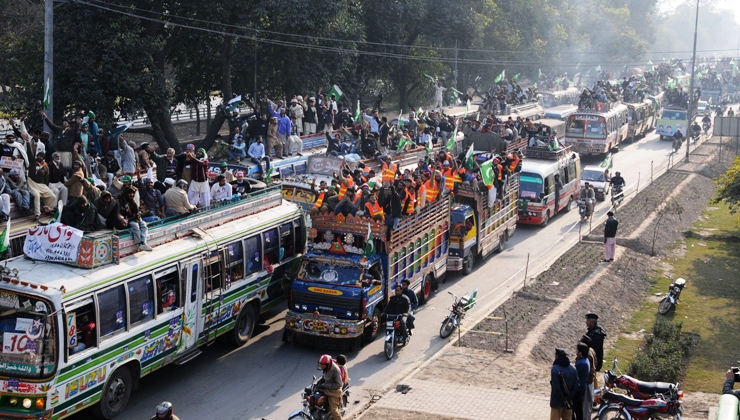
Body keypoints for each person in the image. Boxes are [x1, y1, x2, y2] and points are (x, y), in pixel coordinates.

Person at [119, 185, 153, 251]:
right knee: (135, 225)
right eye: (129, 193)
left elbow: (136, 212)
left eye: (132, 193)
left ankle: (143, 242)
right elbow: (118, 213)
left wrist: (139, 218)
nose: (131, 195)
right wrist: (122, 218)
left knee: (143, 224)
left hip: (134, 218)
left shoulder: (133, 201)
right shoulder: (121, 201)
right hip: (126, 219)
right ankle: (139, 243)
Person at [550, 348, 578, 420]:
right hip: (569, 401)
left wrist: (563, 400)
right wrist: (569, 397)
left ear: (557, 356)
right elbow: (576, 385)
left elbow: (557, 388)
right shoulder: (573, 368)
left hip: (557, 401)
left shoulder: (555, 369)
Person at [317, 354, 343, 420]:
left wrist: (325, 385)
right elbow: (326, 376)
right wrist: (320, 381)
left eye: (322, 365)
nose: (320, 366)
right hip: (326, 388)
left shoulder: (335, 370)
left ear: (327, 364)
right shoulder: (326, 367)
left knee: (334, 411)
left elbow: (338, 384)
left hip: (334, 392)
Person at [573, 343, 590, 420]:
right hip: (582, 387)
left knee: (574, 408)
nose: (576, 351)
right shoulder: (585, 361)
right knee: (578, 408)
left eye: (577, 350)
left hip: (578, 389)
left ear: (581, 352)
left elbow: (573, 373)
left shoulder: (581, 363)